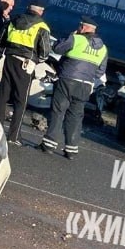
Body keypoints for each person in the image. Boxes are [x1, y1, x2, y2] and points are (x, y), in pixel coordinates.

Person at [41, 16, 108, 158]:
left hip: (68, 79)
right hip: (86, 84)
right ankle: (71, 149)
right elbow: (101, 71)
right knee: (76, 116)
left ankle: (49, 144)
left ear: (83, 27)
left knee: (58, 111)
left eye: (79, 26)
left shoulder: (76, 39)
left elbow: (57, 48)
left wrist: (70, 36)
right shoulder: (103, 48)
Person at [0, 0, 51, 147]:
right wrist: (38, 61)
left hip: (10, 58)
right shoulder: (42, 26)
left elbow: (1, 40)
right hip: (26, 63)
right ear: (41, 11)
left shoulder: (14, 20)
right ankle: (13, 136)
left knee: (3, 95)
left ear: (28, 7)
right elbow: (44, 52)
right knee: (21, 100)